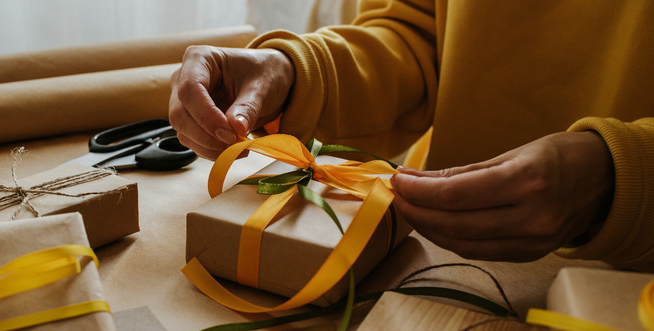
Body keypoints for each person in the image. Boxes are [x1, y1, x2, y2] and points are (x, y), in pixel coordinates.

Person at [169, 0, 654, 272]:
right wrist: (295, 70)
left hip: (626, 298)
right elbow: (417, 29)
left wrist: (622, 175)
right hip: (444, 259)